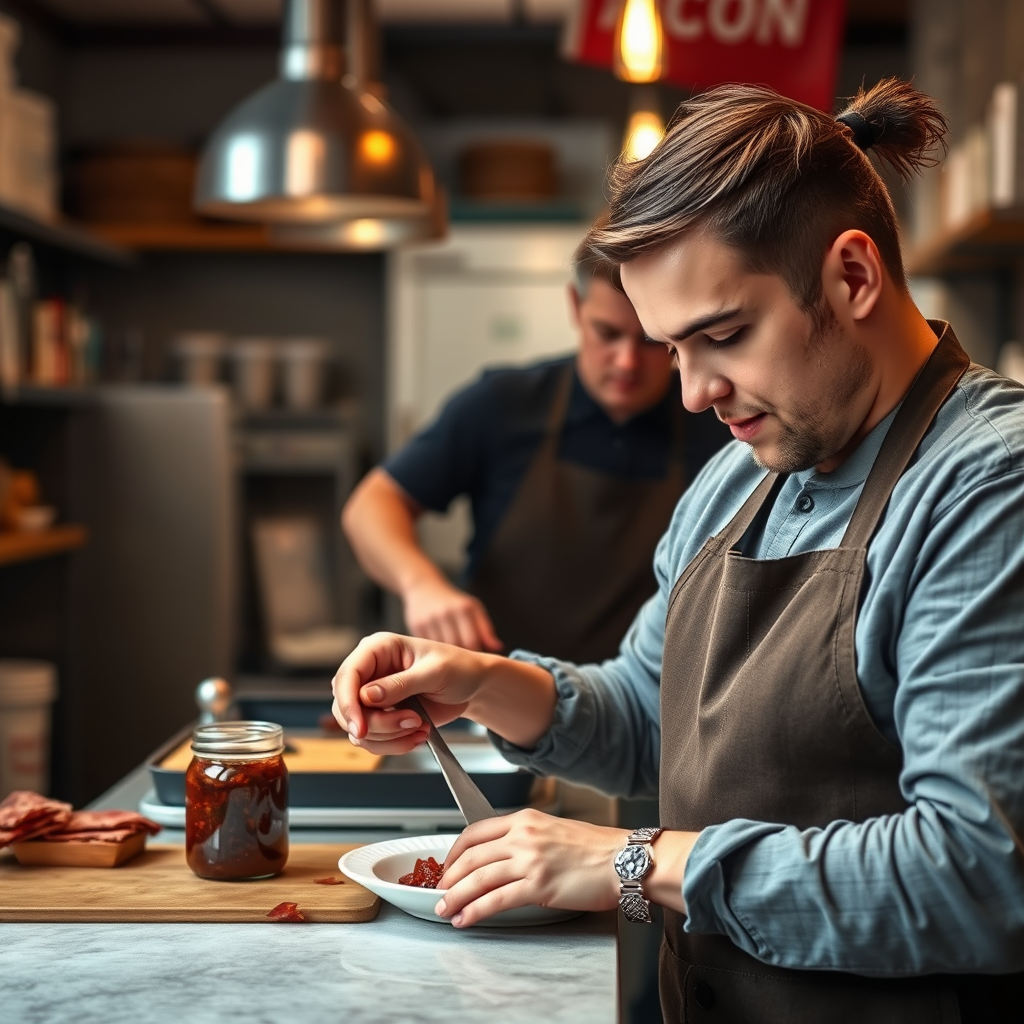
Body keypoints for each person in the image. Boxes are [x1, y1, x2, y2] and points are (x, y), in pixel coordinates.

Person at [333, 77, 1024, 1021]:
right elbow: (654, 722)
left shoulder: (988, 486)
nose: (695, 393)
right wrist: (482, 681)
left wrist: (633, 861)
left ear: (852, 276)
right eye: (673, 351)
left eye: (724, 336)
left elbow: (978, 878)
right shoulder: (739, 479)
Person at [342, 243, 730, 662]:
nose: (627, 362)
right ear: (575, 307)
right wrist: (421, 584)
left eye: (651, 341)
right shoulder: (503, 405)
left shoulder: (719, 423)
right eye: (608, 333)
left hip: (647, 713)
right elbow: (371, 505)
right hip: (496, 702)